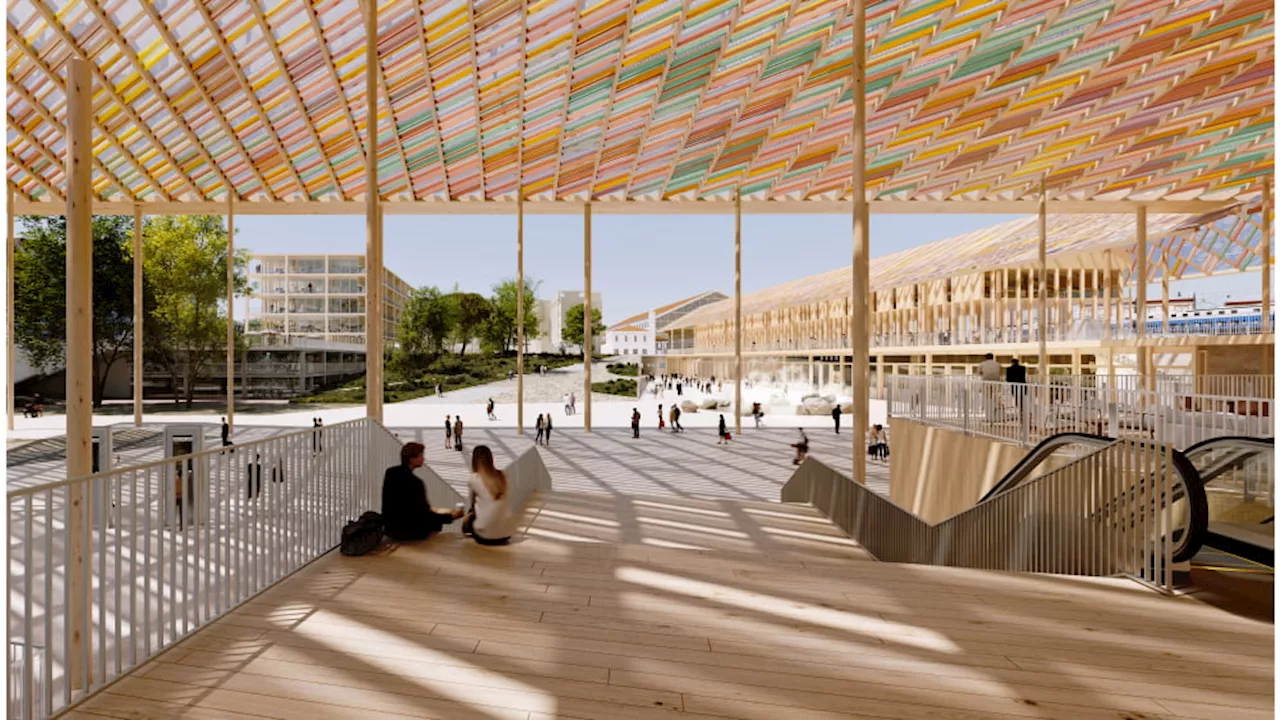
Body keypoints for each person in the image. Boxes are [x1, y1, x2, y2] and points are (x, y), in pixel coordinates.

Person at [382, 442, 462, 542]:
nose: (423, 459)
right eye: (421, 456)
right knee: (435, 523)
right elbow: (423, 515)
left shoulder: (390, 473)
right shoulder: (416, 483)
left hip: (390, 527)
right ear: (411, 459)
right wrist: (450, 516)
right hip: (408, 531)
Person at [463, 445, 516, 545]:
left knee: (469, 519)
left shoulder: (473, 479)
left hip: (484, 536)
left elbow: (471, 504)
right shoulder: (503, 475)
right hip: (506, 533)